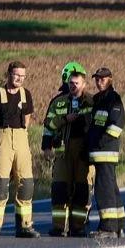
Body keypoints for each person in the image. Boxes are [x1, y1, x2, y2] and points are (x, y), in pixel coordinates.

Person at [0, 61, 38, 239]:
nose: (19, 79)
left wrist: (21, 136)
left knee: (26, 184)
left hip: (22, 139)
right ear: (8, 74)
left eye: (22, 76)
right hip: (2, 138)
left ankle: (24, 226)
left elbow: (27, 120)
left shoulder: (26, 94)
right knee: (0, 184)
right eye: (16, 75)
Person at [42, 66, 94, 237]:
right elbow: (49, 125)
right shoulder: (59, 102)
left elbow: (97, 125)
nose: (73, 86)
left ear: (84, 84)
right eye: (70, 83)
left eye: (77, 83)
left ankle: (77, 227)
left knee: (81, 190)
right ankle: (58, 227)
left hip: (83, 153)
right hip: (62, 152)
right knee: (59, 189)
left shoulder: (91, 102)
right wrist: (47, 146)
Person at [86, 68, 125, 238]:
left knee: (104, 190)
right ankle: (119, 226)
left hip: (106, 152)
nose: (99, 82)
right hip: (98, 152)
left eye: (103, 79)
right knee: (111, 188)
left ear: (110, 79)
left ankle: (108, 228)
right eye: (97, 79)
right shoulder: (98, 99)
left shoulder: (113, 99)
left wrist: (99, 143)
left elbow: (116, 126)